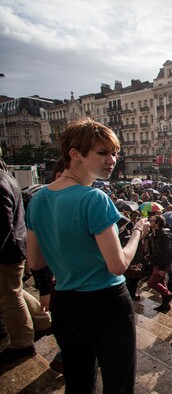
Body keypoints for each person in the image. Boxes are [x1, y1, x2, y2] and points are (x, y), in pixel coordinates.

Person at [25, 118, 150, 392]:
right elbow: (117, 265)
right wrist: (139, 231)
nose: (112, 160)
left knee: (79, 382)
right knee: (118, 384)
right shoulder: (94, 199)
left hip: (66, 304)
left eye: (114, 152)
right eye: (102, 152)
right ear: (75, 154)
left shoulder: (37, 199)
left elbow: (35, 261)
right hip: (106, 304)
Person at [0, 147, 52, 364]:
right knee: (14, 291)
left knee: (9, 296)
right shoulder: (6, 178)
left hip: (7, 251)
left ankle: (22, 342)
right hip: (15, 246)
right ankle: (41, 320)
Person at [146, 215, 172, 312]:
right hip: (157, 262)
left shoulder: (164, 234)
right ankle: (165, 304)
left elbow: (168, 252)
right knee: (162, 283)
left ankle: (168, 294)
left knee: (151, 283)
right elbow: (155, 250)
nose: (150, 222)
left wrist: (163, 268)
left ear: (157, 223)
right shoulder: (153, 234)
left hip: (162, 264)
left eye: (152, 220)